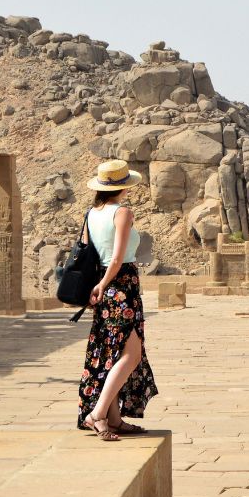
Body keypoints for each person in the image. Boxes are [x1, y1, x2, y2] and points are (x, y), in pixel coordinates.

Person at [77, 159, 158, 441]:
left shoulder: (91, 214)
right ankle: (97, 414)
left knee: (112, 353)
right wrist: (104, 283)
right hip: (120, 285)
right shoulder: (122, 212)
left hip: (103, 288)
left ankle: (113, 418)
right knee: (131, 354)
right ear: (124, 187)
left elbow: (88, 254)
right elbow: (117, 257)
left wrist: (95, 287)